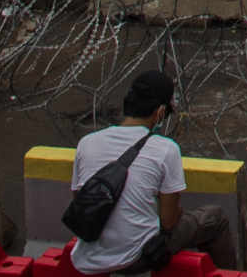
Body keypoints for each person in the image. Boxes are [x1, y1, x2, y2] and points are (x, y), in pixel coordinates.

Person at [64, 70, 230, 277]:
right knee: (215, 217)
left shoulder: (87, 143)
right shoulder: (166, 149)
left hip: (88, 257)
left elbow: (80, 201)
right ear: (160, 112)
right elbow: (168, 222)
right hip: (137, 257)